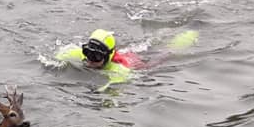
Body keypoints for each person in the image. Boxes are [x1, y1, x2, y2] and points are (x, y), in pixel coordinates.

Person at [54, 28, 199, 85]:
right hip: (124, 54)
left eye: (96, 56)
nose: (90, 60)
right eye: (88, 53)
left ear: (109, 56)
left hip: (139, 63)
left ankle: (189, 34)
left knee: (165, 54)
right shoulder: (79, 53)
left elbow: (113, 90)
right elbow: (58, 56)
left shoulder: (120, 70)